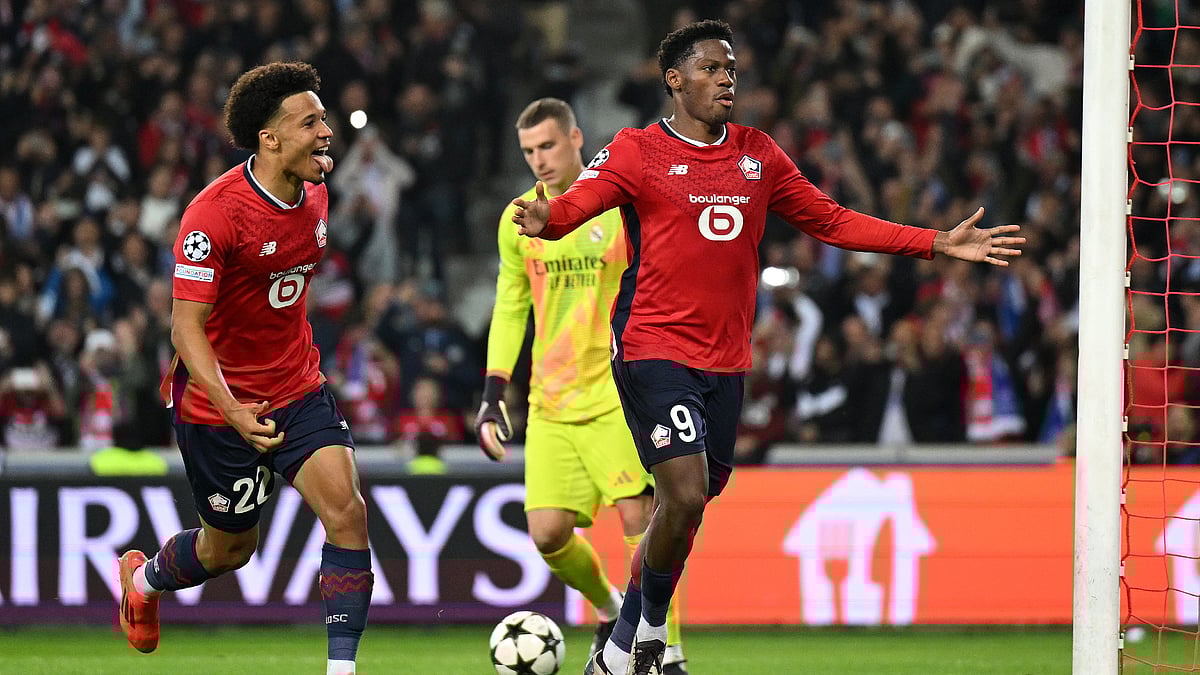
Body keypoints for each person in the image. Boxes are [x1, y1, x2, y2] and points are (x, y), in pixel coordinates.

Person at [510, 21, 1025, 675]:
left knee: (686, 509)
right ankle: (650, 637)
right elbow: (577, 205)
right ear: (675, 79)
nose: (726, 80)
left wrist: (935, 241)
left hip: (725, 362)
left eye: (731, 69)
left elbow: (831, 220)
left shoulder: (758, 155)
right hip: (650, 347)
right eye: (711, 68)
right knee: (684, 493)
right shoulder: (639, 150)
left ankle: (614, 652)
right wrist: (548, 219)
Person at [117, 62, 372, 675]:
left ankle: (341, 669)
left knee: (348, 513)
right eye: (310, 122)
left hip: (296, 386)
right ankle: (144, 582)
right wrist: (231, 407)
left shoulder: (317, 191)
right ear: (270, 138)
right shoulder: (213, 215)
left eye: (324, 119)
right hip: (217, 405)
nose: (326, 132)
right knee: (230, 550)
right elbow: (185, 328)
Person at [475, 97, 688, 673]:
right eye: (528, 151)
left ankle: (666, 651)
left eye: (547, 145)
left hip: (617, 395)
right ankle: (610, 606)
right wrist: (494, 392)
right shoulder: (519, 218)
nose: (538, 160)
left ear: (575, 139)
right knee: (547, 535)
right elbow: (511, 305)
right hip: (550, 402)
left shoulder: (616, 209)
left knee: (640, 519)